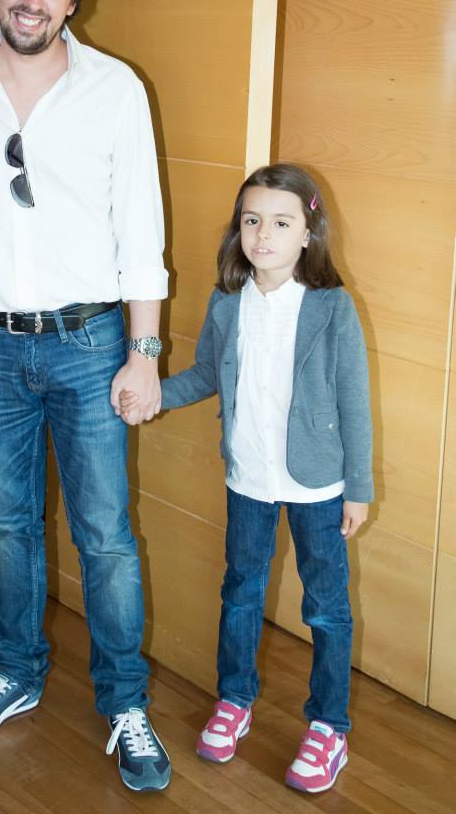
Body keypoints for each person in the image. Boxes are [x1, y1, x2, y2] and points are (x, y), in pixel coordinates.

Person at [0, 0, 171, 793]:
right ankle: (18, 673)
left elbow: (141, 230)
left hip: (88, 343)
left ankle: (125, 702)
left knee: (104, 537)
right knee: (6, 527)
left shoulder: (115, 89)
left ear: (74, 0)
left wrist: (142, 352)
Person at [123, 163, 372, 794]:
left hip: (318, 487)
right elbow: (208, 374)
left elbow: (354, 402)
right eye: (252, 220)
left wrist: (359, 488)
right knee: (240, 593)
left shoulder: (332, 307)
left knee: (327, 609)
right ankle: (234, 699)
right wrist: (155, 394)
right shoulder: (228, 302)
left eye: (281, 223)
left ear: (309, 234)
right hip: (249, 480)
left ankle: (329, 726)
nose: (263, 235)